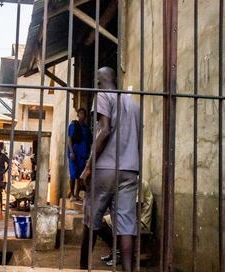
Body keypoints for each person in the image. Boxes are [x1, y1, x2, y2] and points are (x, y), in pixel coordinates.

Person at [79, 67, 140, 271]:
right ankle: (129, 269)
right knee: (126, 224)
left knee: (91, 218)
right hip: (130, 169)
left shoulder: (103, 95)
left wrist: (88, 167)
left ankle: (82, 267)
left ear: (99, 81)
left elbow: (104, 131)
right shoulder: (133, 103)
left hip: (106, 167)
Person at [100, 179, 154, 266]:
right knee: (100, 222)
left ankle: (119, 254)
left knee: (112, 223)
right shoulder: (128, 182)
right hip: (130, 217)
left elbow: (136, 207)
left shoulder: (139, 183)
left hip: (140, 222)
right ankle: (115, 251)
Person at [67, 108, 92, 202]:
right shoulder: (73, 125)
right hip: (74, 153)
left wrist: (89, 155)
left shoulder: (87, 128)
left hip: (83, 154)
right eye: (80, 113)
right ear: (78, 115)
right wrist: (71, 152)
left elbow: (90, 142)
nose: (82, 115)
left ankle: (77, 194)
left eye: (83, 114)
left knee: (80, 175)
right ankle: (72, 194)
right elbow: (69, 139)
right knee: (73, 174)